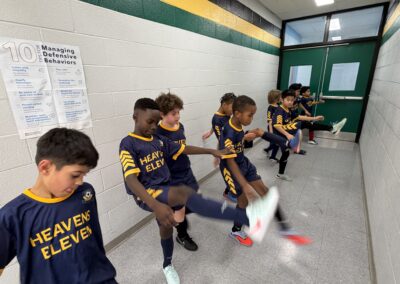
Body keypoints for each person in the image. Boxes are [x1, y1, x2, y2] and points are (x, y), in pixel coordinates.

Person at [120, 98, 278, 284]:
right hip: (146, 193)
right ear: (135, 117)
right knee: (184, 194)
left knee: (166, 229)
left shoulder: (158, 140)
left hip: (164, 189)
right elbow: (130, 179)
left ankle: (167, 265)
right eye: (149, 122)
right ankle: (248, 219)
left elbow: (183, 148)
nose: (154, 126)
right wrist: (155, 204)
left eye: (156, 122)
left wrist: (212, 151)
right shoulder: (128, 143)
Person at [0, 128, 117, 283]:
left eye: (84, 175)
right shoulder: (12, 216)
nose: (80, 181)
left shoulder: (85, 192)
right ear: (45, 168)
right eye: (75, 175)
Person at [219, 95, 311, 247]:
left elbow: (237, 143)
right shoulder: (229, 132)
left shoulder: (236, 124)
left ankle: (285, 229)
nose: (252, 118)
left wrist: (245, 138)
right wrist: (245, 185)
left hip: (243, 163)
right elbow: (229, 160)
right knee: (243, 201)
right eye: (250, 115)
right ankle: (236, 230)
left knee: (267, 194)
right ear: (237, 113)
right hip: (232, 169)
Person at [155, 92, 199, 251]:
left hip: (186, 170)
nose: (178, 116)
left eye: (179, 112)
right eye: (174, 113)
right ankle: (182, 235)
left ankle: (178, 214)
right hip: (172, 176)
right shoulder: (157, 134)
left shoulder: (181, 127)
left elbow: (183, 148)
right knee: (180, 209)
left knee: (193, 196)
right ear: (162, 114)